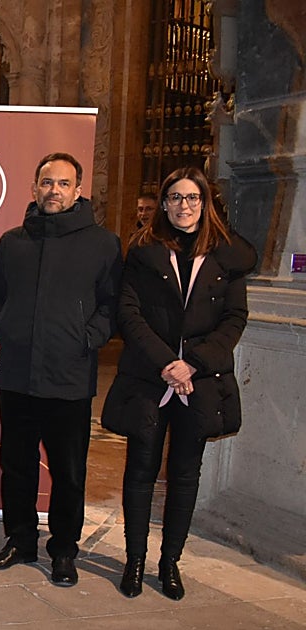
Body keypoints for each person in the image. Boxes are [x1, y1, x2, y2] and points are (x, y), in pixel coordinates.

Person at [102, 167, 255, 600]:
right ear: (163, 204)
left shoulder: (226, 256)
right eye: (174, 197)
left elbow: (234, 319)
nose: (183, 206)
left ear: (205, 204)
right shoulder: (144, 251)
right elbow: (128, 313)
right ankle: (134, 561)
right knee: (140, 470)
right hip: (150, 377)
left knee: (185, 474)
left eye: (191, 198)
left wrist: (193, 365)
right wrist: (168, 364)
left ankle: (170, 563)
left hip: (200, 382)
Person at [0, 153, 122, 586]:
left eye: (63, 183)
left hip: (69, 378)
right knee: (16, 466)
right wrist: (4, 325)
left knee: (68, 472)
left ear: (78, 190)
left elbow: (112, 304)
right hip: (18, 376)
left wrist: (86, 337)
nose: (53, 190)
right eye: (46, 182)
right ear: (34, 188)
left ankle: (63, 551)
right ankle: (20, 541)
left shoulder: (103, 243)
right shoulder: (13, 242)